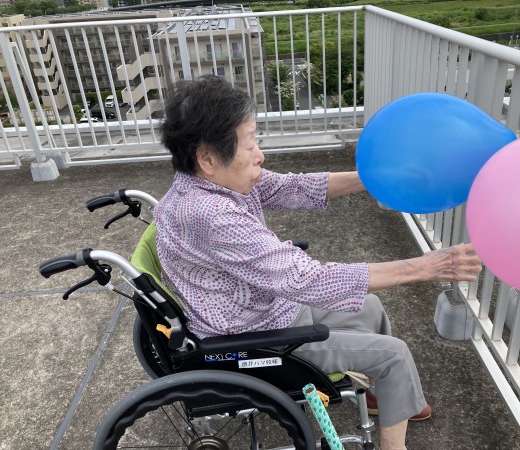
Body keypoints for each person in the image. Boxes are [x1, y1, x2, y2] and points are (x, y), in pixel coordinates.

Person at [154, 75, 482, 450]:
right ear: (208, 158)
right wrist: (425, 267)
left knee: (370, 307)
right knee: (395, 355)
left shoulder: (205, 185)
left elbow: (293, 187)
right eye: (250, 142)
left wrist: (377, 178)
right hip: (255, 340)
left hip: (262, 310)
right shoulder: (212, 216)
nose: (260, 154)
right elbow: (308, 280)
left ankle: (388, 397)